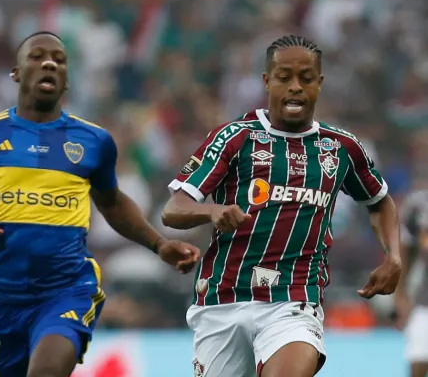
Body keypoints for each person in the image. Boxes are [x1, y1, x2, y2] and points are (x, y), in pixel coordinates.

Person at [0, 31, 201, 377]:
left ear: (67, 80)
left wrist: (159, 243)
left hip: (67, 289)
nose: (49, 63)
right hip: (2, 299)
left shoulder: (93, 141)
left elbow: (113, 203)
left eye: (59, 60)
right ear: (15, 73)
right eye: (37, 57)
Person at [161, 34, 402, 377]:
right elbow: (174, 209)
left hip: (293, 301)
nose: (295, 88)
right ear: (266, 81)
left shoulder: (341, 148)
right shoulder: (235, 138)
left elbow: (379, 201)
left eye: (305, 79)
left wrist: (392, 256)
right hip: (223, 299)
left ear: (319, 84)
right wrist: (213, 211)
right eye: (284, 77)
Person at [395, 187, 428, 377]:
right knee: (418, 364)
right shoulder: (419, 206)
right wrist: (401, 296)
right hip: (425, 304)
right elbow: (405, 255)